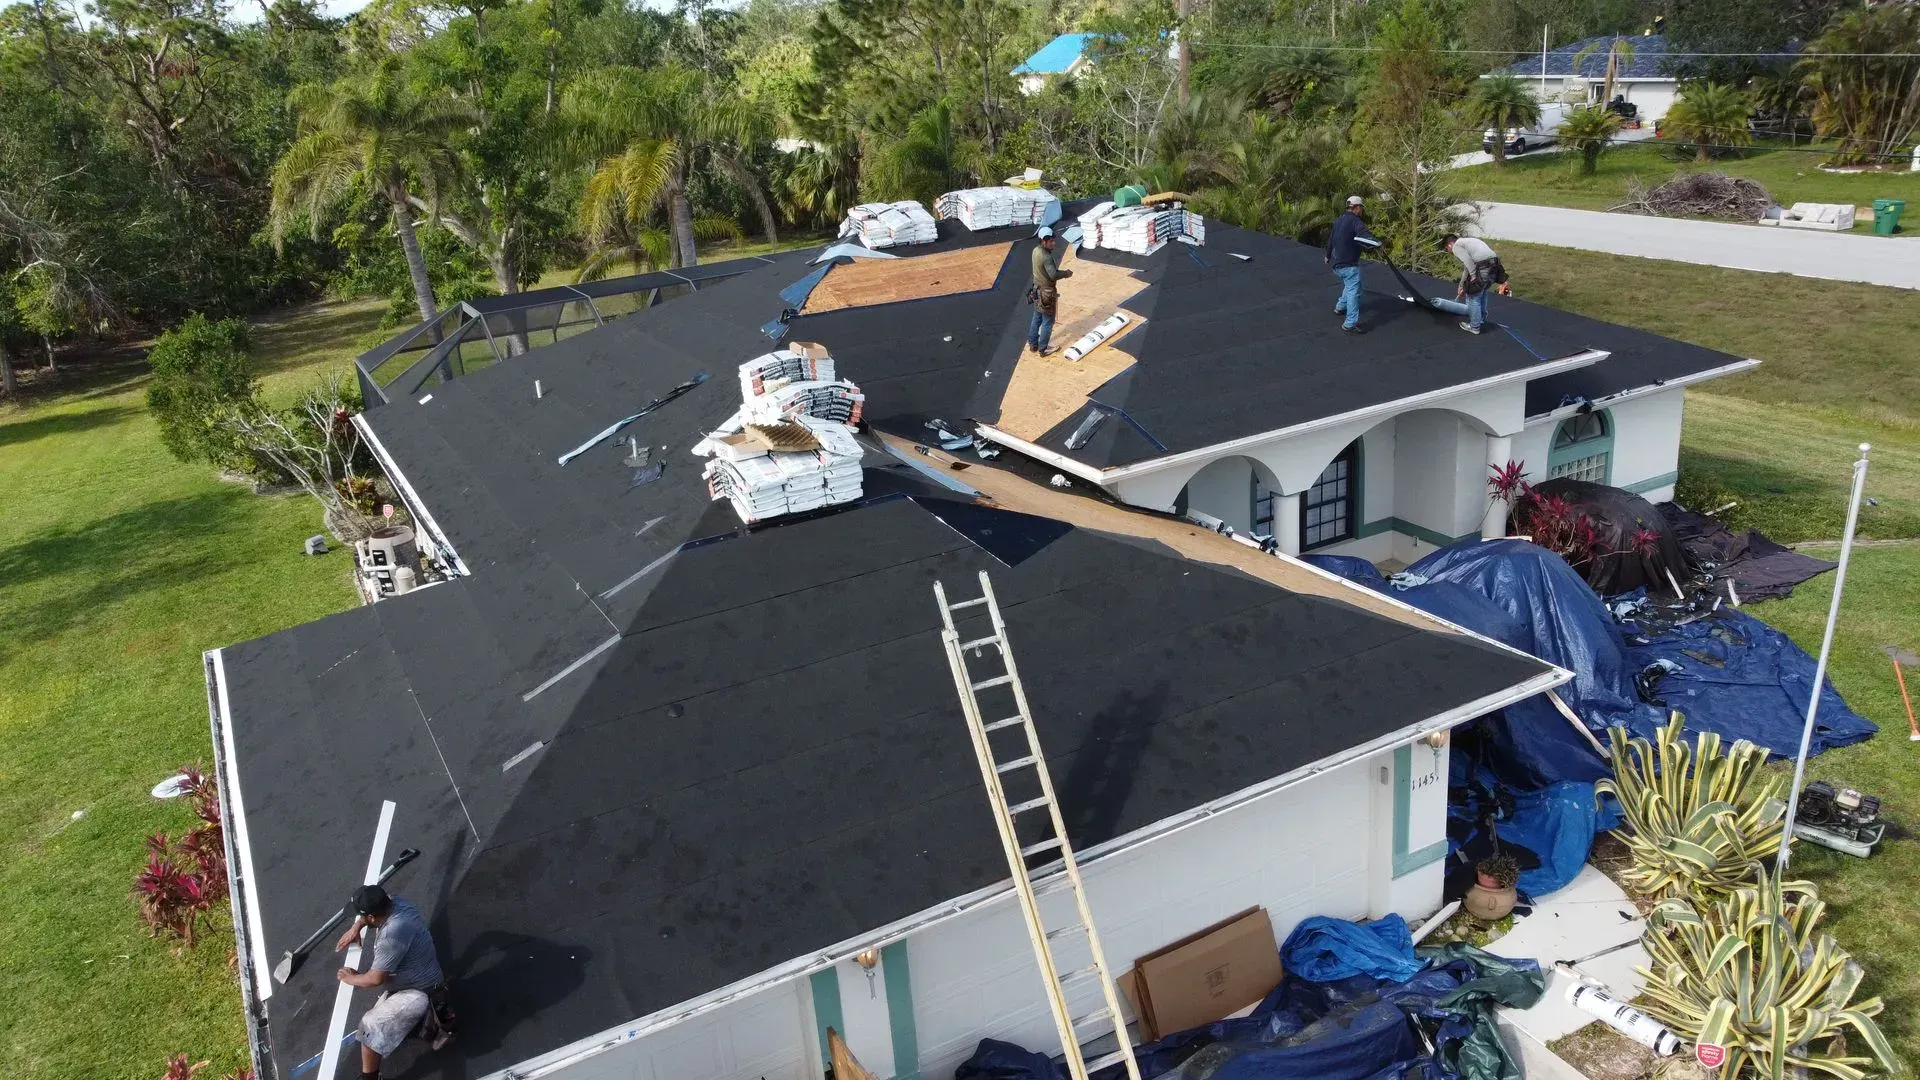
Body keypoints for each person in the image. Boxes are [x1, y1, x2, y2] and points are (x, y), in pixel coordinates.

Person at [336, 885, 451, 1079]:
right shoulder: (395, 902)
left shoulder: (392, 935)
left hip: (420, 992)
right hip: (415, 979)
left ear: (372, 917)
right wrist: (356, 927)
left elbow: (375, 979)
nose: (361, 919)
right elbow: (370, 916)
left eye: (362, 916)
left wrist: (350, 978)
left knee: (369, 1028)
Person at [1325, 195, 1381, 334]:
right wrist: (1377, 243)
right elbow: (1364, 235)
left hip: (1337, 264)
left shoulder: (1339, 220)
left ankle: (1340, 307)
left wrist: (1327, 256)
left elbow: (1331, 239)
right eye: (1361, 208)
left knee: (1352, 286)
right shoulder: (1356, 221)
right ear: (1356, 207)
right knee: (1354, 292)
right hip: (1349, 265)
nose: (1361, 211)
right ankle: (1350, 324)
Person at [1433, 233, 1509, 334]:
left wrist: (1473, 279)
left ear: (1450, 244)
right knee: (1482, 292)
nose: (1449, 251)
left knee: (1473, 296)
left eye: (1447, 249)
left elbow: (1469, 263)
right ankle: (1481, 318)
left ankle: (1474, 327)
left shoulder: (1457, 246)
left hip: (1484, 268)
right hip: (1495, 267)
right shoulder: (1468, 242)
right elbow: (1466, 268)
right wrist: (1462, 285)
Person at [1028, 227, 1072, 355]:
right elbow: (1053, 275)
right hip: (1047, 293)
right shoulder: (1046, 256)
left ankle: (1033, 344)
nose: (1054, 243)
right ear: (1043, 241)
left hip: (1036, 290)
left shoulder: (1035, 251)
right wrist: (1066, 273)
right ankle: (1043, 348)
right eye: (1051, 241)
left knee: (1036, 317)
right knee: (1048, 320)